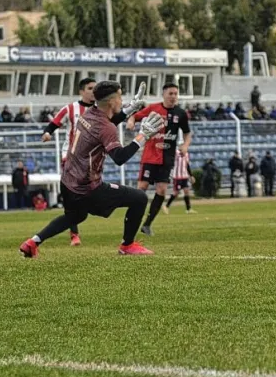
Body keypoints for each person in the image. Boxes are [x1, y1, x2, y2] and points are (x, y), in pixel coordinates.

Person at [18, 81, 166, 258]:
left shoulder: (88, 114)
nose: (122, 101)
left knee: (75, 217)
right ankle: (127, 245)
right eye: (120, 97)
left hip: (68, 181)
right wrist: (143, 136)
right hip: (87, 188)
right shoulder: (105, 127)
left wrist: (129, 110)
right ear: (111, 101)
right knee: (139, 198)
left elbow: (106, 124)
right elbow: (119, 158)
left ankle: (32, 242)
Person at [43, 78, 126, 247]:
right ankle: (74, 233)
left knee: (86, 193)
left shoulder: (100, 110)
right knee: (73, 195)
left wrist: (130, 110)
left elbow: (112, 122)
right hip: (70, 156)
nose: (93, 91)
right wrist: (47, 133)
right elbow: (54, 123)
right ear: (81, 91)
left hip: (90, 158)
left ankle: (96, 210)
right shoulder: (71, 108)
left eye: (95, 88)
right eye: (89, 88)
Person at [127, 82, 193, 237]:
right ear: (164, 94)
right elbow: (134, 116)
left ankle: (147, 224)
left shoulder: (180, 113)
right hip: (150, 156)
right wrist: (131, 122)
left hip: (167, 158)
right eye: (170, 93)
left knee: (162, 190)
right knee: (141, 188)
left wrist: (185, 145)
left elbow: (187, 133)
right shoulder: (153, 108)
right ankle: (132, 221)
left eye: (175, 94)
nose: (173, 96)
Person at [165, 149, 195, 214]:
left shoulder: (186, 153)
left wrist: (191, 175)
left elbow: (187, 165)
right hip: (177, 176)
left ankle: (188, 209)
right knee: (176, 193)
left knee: (186, 191)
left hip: (184, 176)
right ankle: (166, 206)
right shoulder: (175, 152)